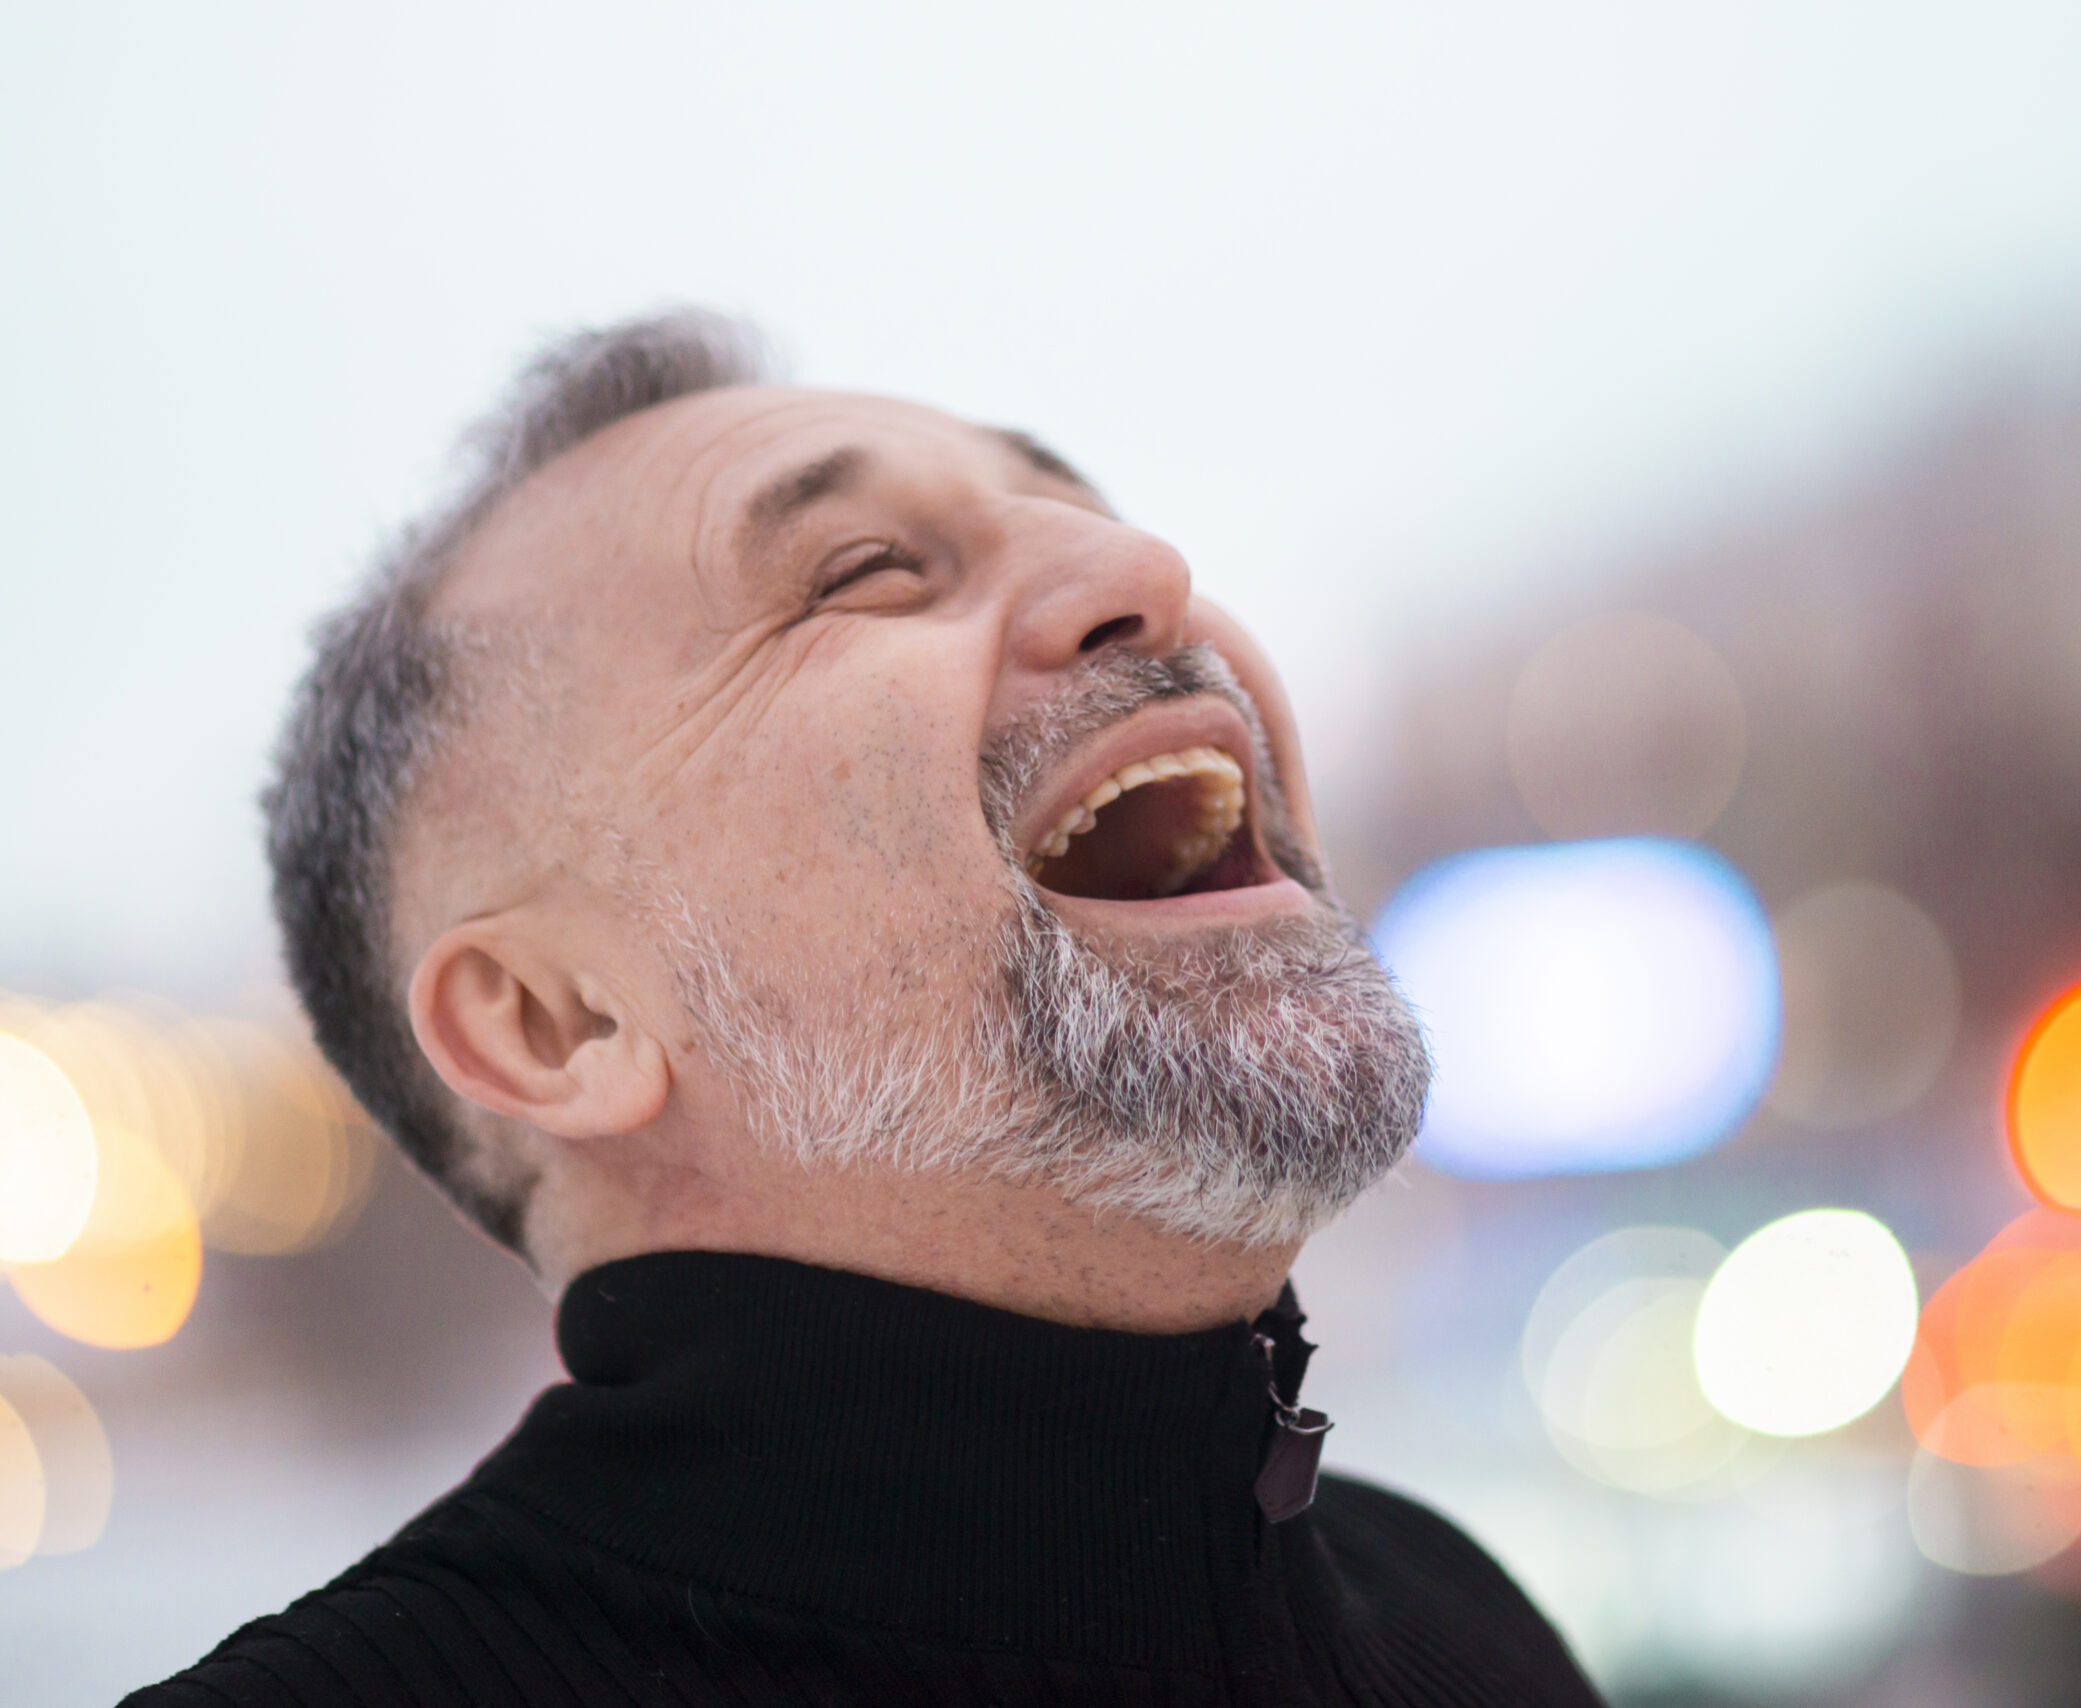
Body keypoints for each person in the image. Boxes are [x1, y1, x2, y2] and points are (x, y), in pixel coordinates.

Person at [128, 312, 1603, 1708]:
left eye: (1084, 507)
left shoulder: (1463, 1626)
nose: (1146, 568)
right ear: (555, 1021)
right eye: (868, 571)